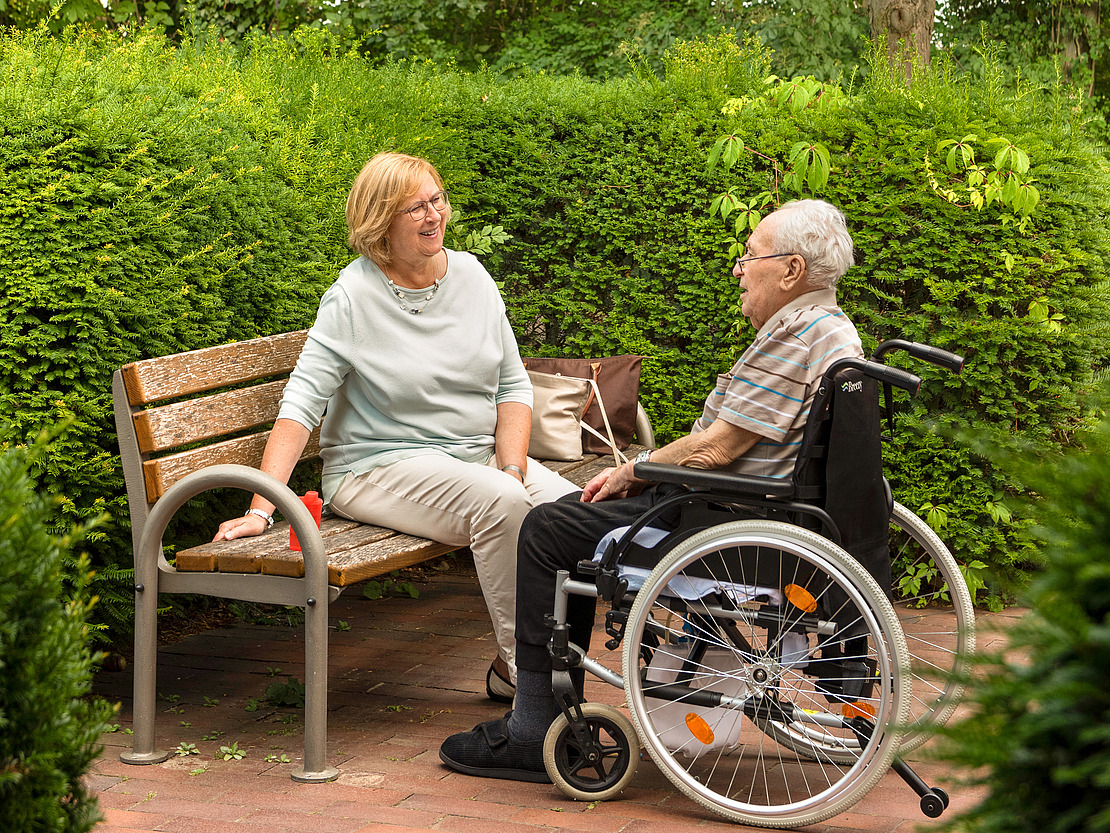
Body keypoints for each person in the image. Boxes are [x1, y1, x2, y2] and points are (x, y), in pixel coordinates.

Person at [439, 198, 864, 782]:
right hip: (753, 508)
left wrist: (635, 470)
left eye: (750, 257)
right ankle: (548, 711)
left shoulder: (795, 335)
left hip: (722, 518)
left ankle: (533, 730)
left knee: (546, 530)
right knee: (567, 515)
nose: (739, 269)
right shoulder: (832, 329)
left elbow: (719, 447)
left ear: (791, 270)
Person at [213, 152, 577, 703]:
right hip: (376, 466)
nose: (434, 215)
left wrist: (512, 467)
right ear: (381, 222)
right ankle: (526, 677)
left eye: (438, 199)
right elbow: (303, 403)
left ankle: (550, 662)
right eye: (416, 208)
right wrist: (262, 508)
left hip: (475, 458)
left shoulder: (473, 277)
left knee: (574, 515)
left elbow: (512, 387)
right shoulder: (352, 297)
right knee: (503, 504)